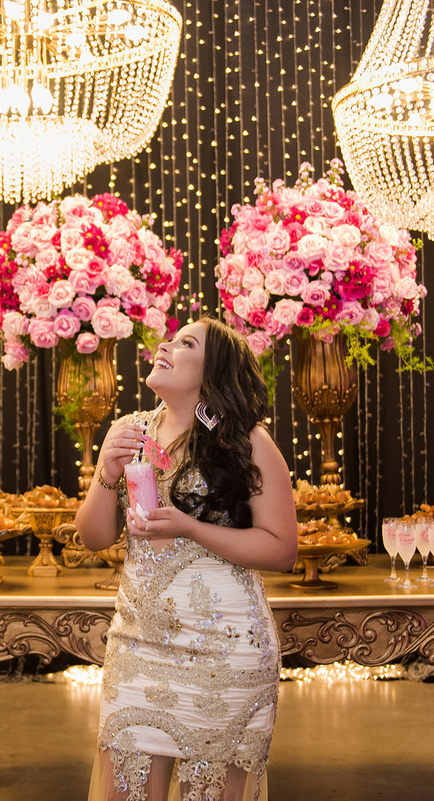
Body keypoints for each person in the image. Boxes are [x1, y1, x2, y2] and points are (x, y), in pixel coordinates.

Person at [77, 317, 298, 801]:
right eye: (171, 338)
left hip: (226, 652)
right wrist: (105, 472)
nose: (166, 346)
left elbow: (282, 548)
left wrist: (191, 527)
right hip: (138, 645)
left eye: (186, 342)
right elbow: (93, 537)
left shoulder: (248, 442)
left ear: (212, 370)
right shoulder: (128, 431)